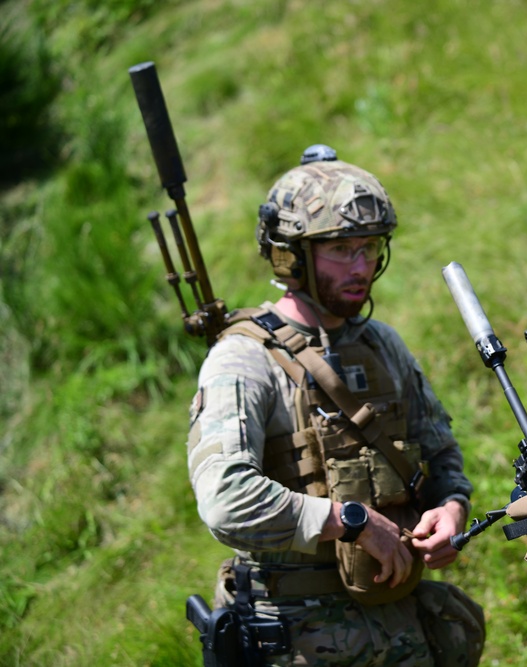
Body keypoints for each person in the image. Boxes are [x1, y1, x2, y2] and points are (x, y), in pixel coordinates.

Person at [186, 145, 485, 667]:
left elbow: (441, 455)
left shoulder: (381, 344)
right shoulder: (243, 359)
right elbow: (224, 499)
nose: (362, 266)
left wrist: (452, 507)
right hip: (295, 633)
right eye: (342, 250)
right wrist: (349, 521)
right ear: (291, 256)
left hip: (398, 624)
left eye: (370, 248)